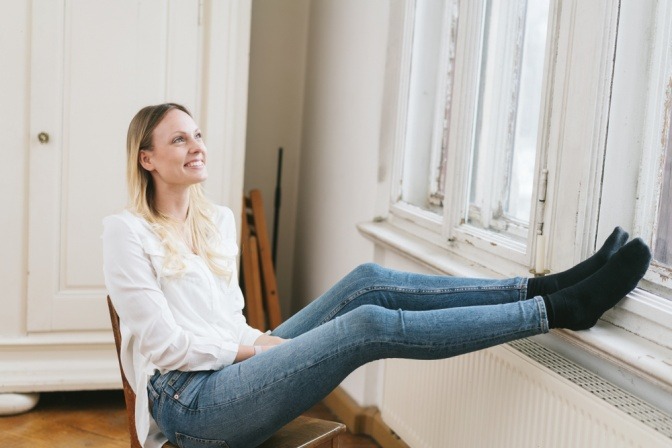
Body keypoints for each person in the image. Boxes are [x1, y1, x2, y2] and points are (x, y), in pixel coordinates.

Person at [103, 103, 652, 448]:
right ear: (147, 159)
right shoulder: (125, 233)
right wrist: (254, 351)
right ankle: (559, 311)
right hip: (190, 404)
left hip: (237, 366)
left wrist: (257, 343)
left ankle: (543, 286)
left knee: (368, 279)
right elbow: (166, 346)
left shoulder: (217, 221)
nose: (196, 146)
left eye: (197, 135)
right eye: (178, 139)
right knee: (366, 323)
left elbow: (232, 320)